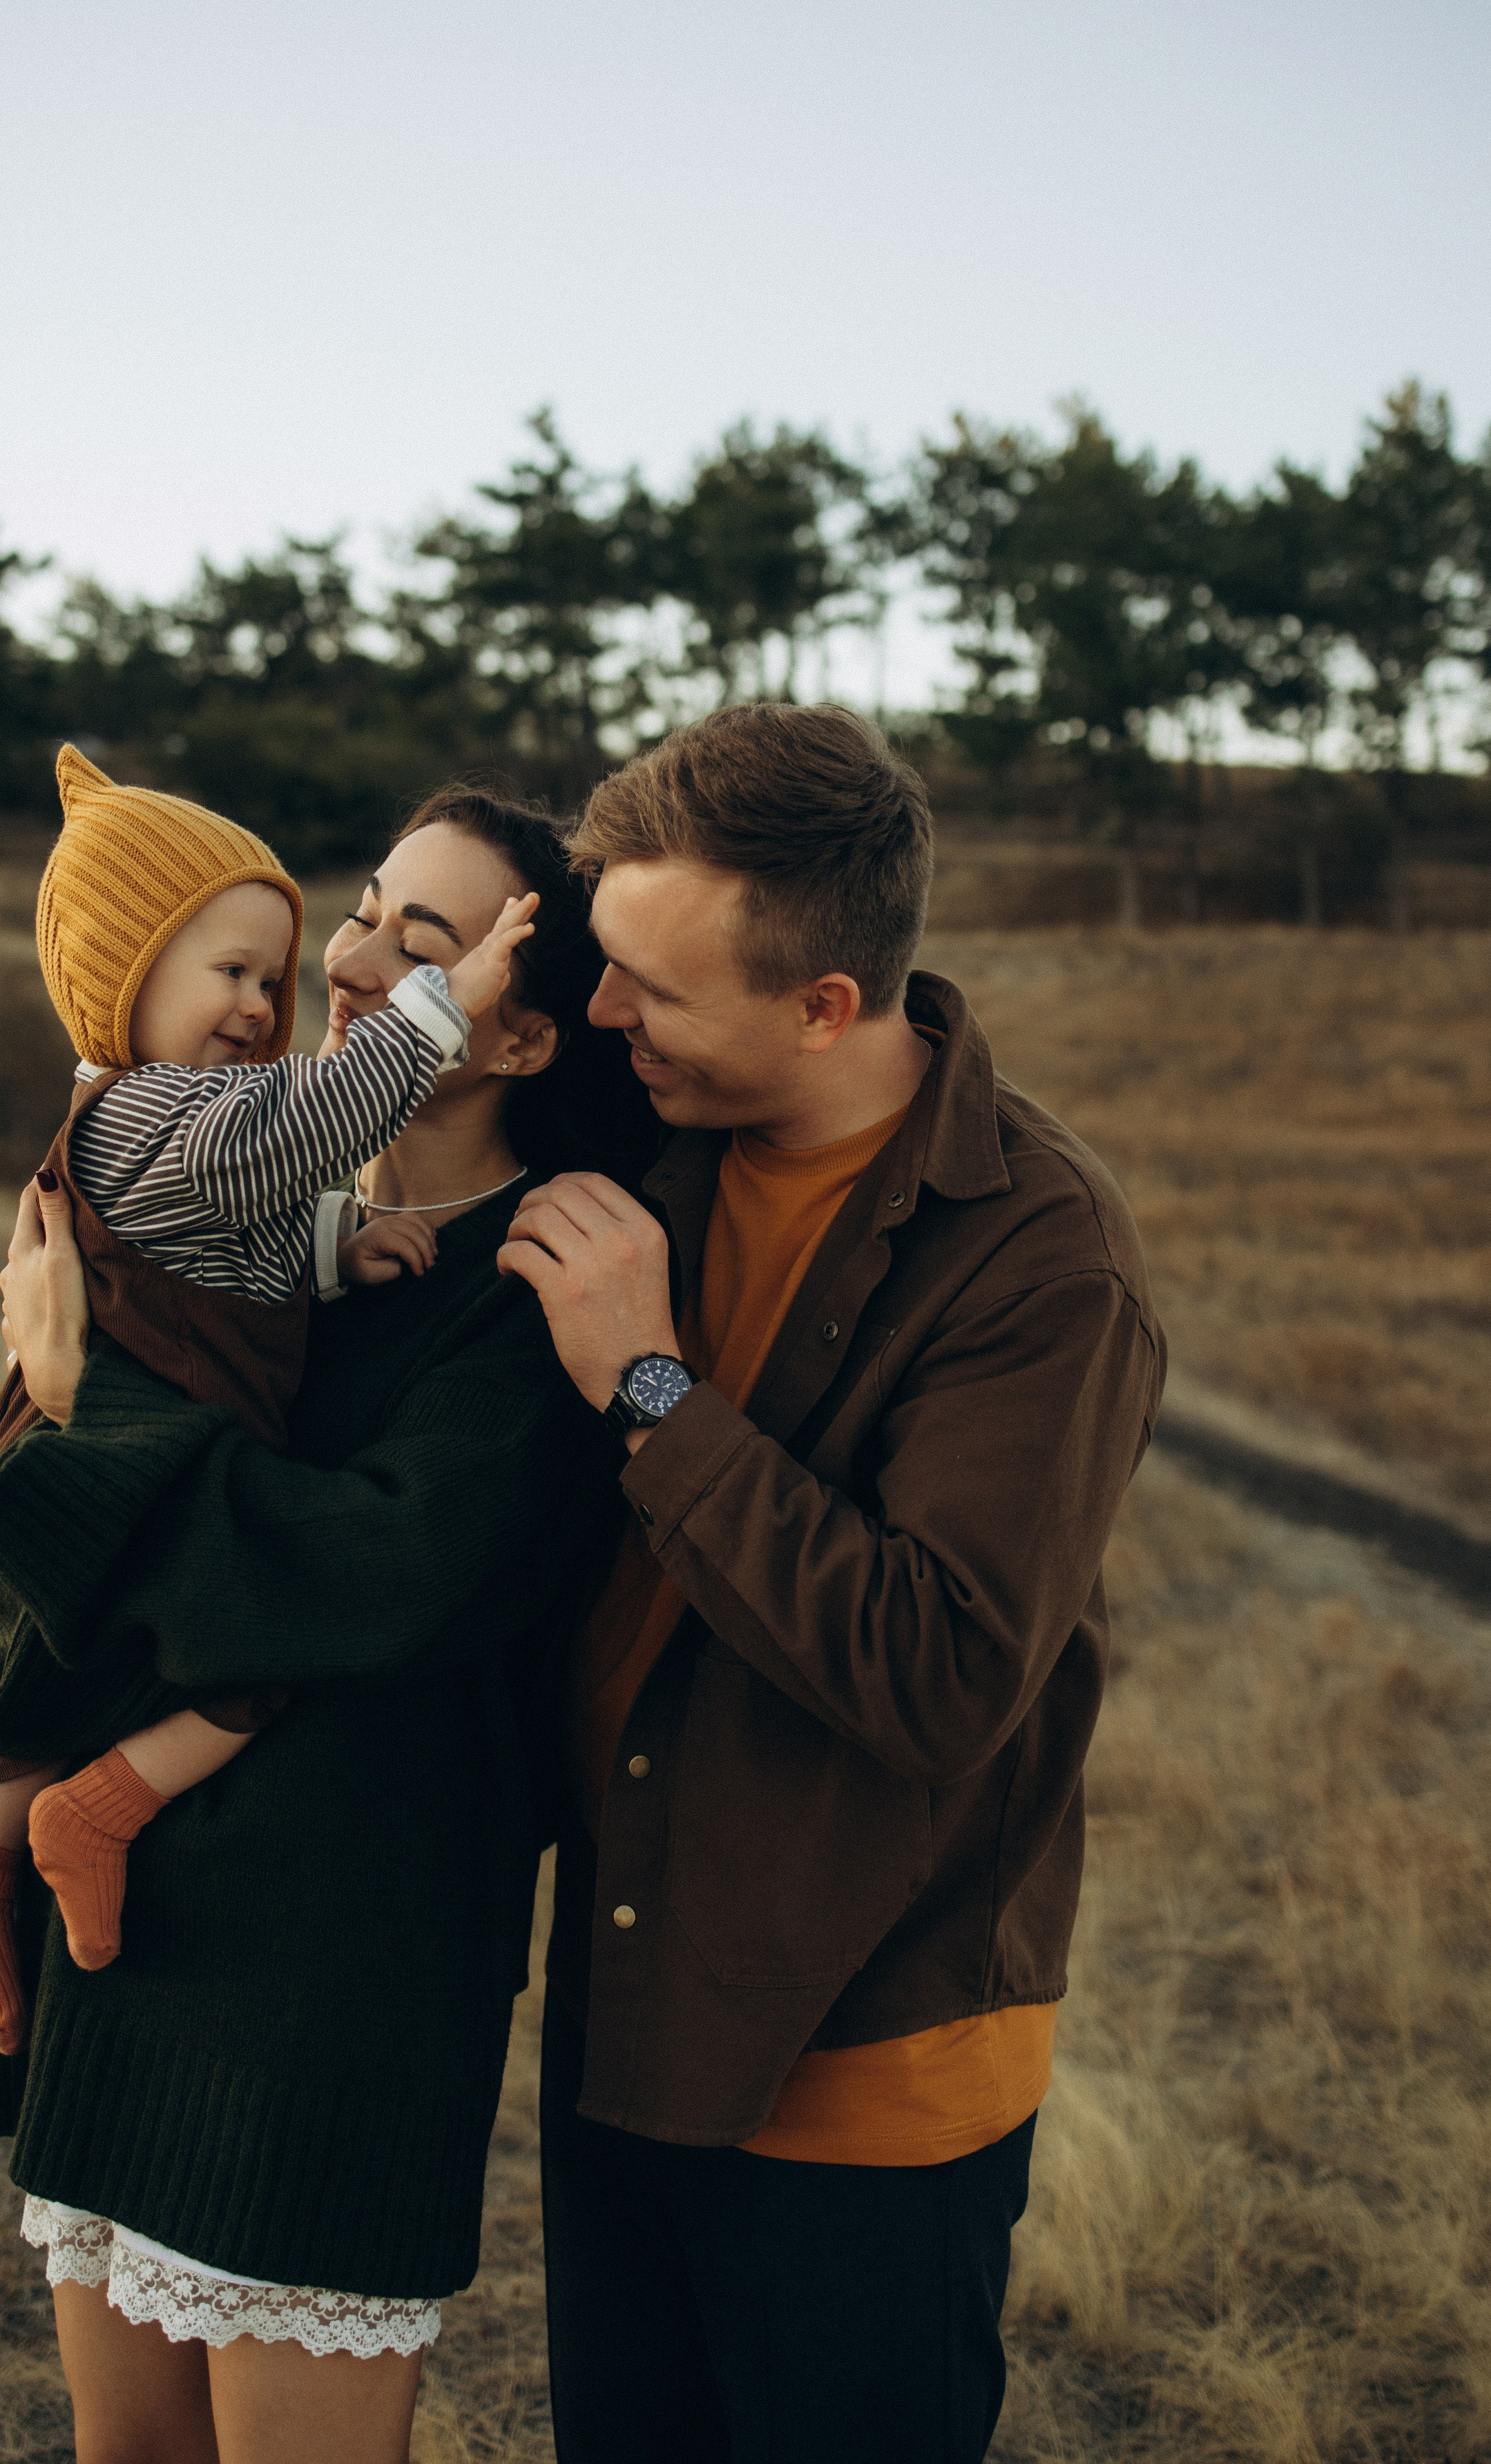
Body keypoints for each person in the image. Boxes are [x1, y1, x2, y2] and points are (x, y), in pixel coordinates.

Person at [0, 786, 651, 2464]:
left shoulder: (539, 1283)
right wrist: (60, 1419)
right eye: (366, 906)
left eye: (426, 942)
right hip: (124, 1926)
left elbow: (355, 1577)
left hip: (336, 1965)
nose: (349, 958)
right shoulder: (236, 1229)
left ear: (521, 1036)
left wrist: (86, 1404)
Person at [498, 703, 1168, 2464]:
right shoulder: (651, 1129)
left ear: (823, 1003)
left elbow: (938, 1667)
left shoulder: (1040, 1258)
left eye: (653, 983)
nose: (603, 1009)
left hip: (862, 2056)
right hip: (629, 1990)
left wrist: (651, 1386)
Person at [0, 745, 538, 2055]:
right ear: (126, 985)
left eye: (271, 973)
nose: (273, 1002)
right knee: (205, 1665)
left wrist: (338, 1248)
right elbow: (306, 1127)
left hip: (115, 1425)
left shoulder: (183, 1127)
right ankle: (74, 1819)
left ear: (535, 1043)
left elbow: (239, 1237)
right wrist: (450, 999)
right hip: (113, 1442)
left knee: (79, 1653)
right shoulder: (166, 1114)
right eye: (233, 974)